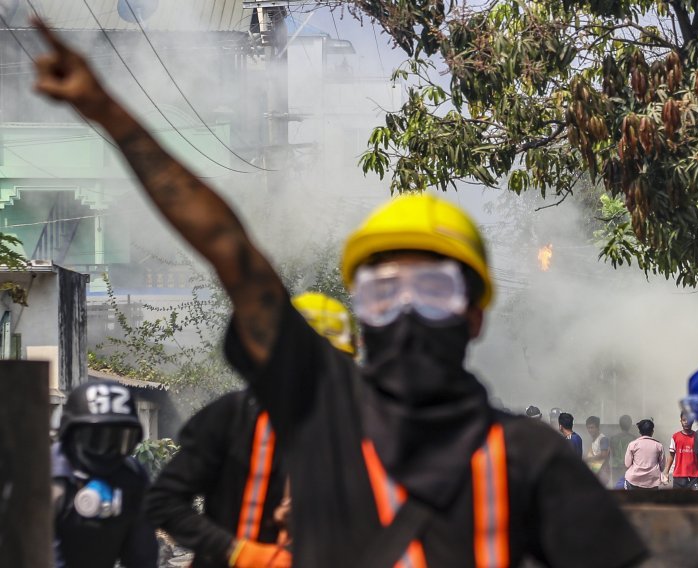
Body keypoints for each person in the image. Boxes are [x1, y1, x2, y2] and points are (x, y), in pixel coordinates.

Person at [31, 22, 648, 567]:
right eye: (384, 292)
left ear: (476, 314)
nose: (407, 312)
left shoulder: (530, 459)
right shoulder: (322, 419)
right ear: (362, 312)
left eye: (432, 290)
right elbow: (230, 251)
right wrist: (106, 111)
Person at [145, 292, 353, 568]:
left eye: (332, 363)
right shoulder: (232, 418)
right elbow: (163, 501)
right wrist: (237, 552)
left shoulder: (364, 428)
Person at [52, 381, 157, 568]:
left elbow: (142, 556)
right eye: (95, 439)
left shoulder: (132, 478)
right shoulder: (45, 478)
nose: (107, 452)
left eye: (120, 441)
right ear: (71, 436)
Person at [662, 412, 698, 489]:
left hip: (694, 477)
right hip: (679, 477)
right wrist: (666, 471)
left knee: (695, 500)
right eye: (684, 420)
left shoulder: (697, 437)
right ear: (680, 421)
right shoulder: (675, 437)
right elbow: (671, 455)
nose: (686, 422)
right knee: (678, 500)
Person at [623, 420, 664, 490]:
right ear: (652, 431)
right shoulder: (659, 446)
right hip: (652, 483)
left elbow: (627, 464)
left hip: (634, 481)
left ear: (640, 432)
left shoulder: (633, 445)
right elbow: (662, 466)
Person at [609, 415, 637, 488]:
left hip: (616, 467)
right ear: (630, 425)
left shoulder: (613, 438)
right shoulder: (634, 439)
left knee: (616, 488)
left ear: (620, 425)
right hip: (628, 468)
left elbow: (612, 453)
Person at [585, 416, 611, 486]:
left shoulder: (603, 439)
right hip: (596, 473)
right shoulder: (594, 440)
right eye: (588, 427)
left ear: (597, 428)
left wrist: (588, 459)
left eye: (592, 427)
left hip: (602, 473)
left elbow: (604, 455)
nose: (590, 430)